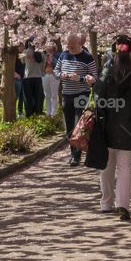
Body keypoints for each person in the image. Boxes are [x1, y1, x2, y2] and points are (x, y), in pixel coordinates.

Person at [93, 40, 131, 221]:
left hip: (107, 127)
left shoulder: (106, 73)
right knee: (125, 167)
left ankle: (106, 203)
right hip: (129, 127)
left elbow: (97, 97)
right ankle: (123, 205)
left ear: (114, 53)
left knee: (106, 166)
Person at [54, 32, 98, 165]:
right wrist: (62, 75)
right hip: (67, 94)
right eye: (68, 45)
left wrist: (81, 78)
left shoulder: (87, 57)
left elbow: (95, 76)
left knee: (78, 124)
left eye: (72, 46)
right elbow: (56, 72)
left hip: (81, 94)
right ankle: (73, 152)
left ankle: (76, 156)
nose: (70, 48)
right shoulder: (64, 55)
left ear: (80, 44)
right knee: (69, 125)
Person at [21, 45, 45, 117]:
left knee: (27, 97)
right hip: (38, 77)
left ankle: (29, 114)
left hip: (27, 77)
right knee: (38, 97)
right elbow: (43, 63)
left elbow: (22, 61)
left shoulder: (25, 52)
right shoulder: (41, 52)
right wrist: (41, 72)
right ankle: (38, 113)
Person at [42, 41, 61, 118]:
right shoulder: (43, 55)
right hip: (45, 76)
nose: (48, 47)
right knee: (47, 95)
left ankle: (54, 113)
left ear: (54, 47)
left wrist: (51, 58)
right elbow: (40, 65)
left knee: (54, 95)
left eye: (50, 46)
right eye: (47, 46)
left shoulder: (57, 55)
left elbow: (59, 65)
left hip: (54, 76)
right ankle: (48, 113)